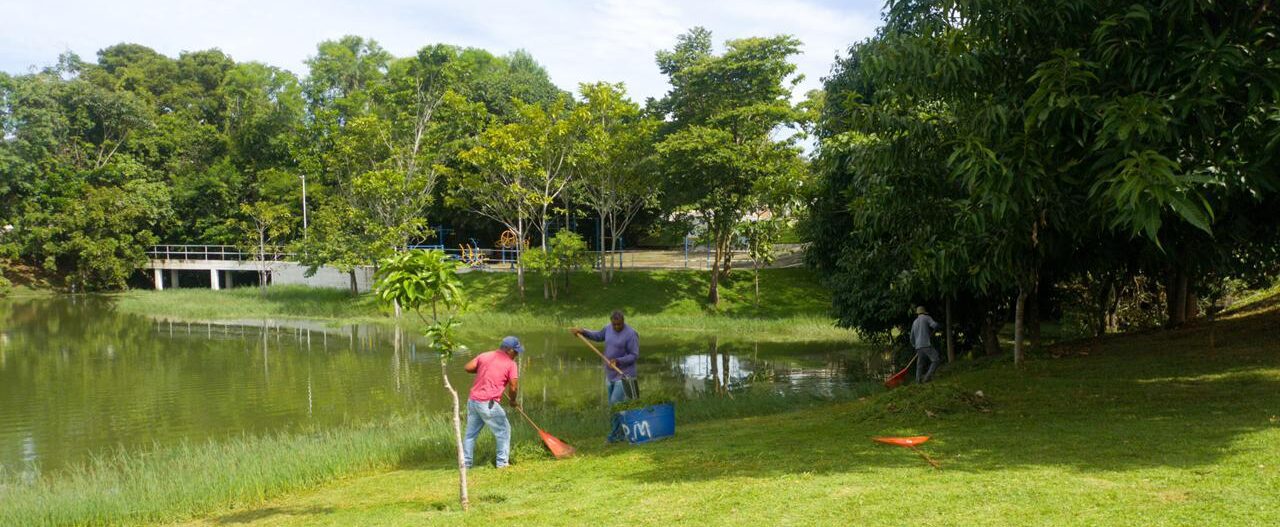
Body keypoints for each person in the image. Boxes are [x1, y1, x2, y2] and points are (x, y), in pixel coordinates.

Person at [462, 336, 522, 469]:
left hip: (473, 401)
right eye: (516, 352)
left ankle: (465, 464)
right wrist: (513, 401)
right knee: (503, 431)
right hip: (488, 404)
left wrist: (484, 369)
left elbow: (468, 367)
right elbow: (513, 387)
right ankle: (502, 463)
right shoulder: (511, 364)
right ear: (509, 350)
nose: (517, 355)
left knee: (470, 434)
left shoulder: (485, 355)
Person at [572, 310, 639, 405]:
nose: (616, 327)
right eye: (614, 324)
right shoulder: (608, 328)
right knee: (612, 406)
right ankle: (615, 420)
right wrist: (583, 332)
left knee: (615, 404)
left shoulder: (631, 334)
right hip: (610, 374)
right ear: (611, 322)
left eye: (619, 324)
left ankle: (619, 419)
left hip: (624, 375)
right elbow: (598, 336)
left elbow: (634, 355)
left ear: (623, 321)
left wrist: (618, 361)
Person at [912, 306, 942, 383]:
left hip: (918, 346)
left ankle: (918, 381)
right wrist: (938, 325)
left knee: (920, 365)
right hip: (926, 344)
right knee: (936, 360)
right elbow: (934, 325)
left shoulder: (914, 322)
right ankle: (927, 377)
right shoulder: (926, 317)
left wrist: (914, 345)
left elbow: (911, 337)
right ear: (924, 312)